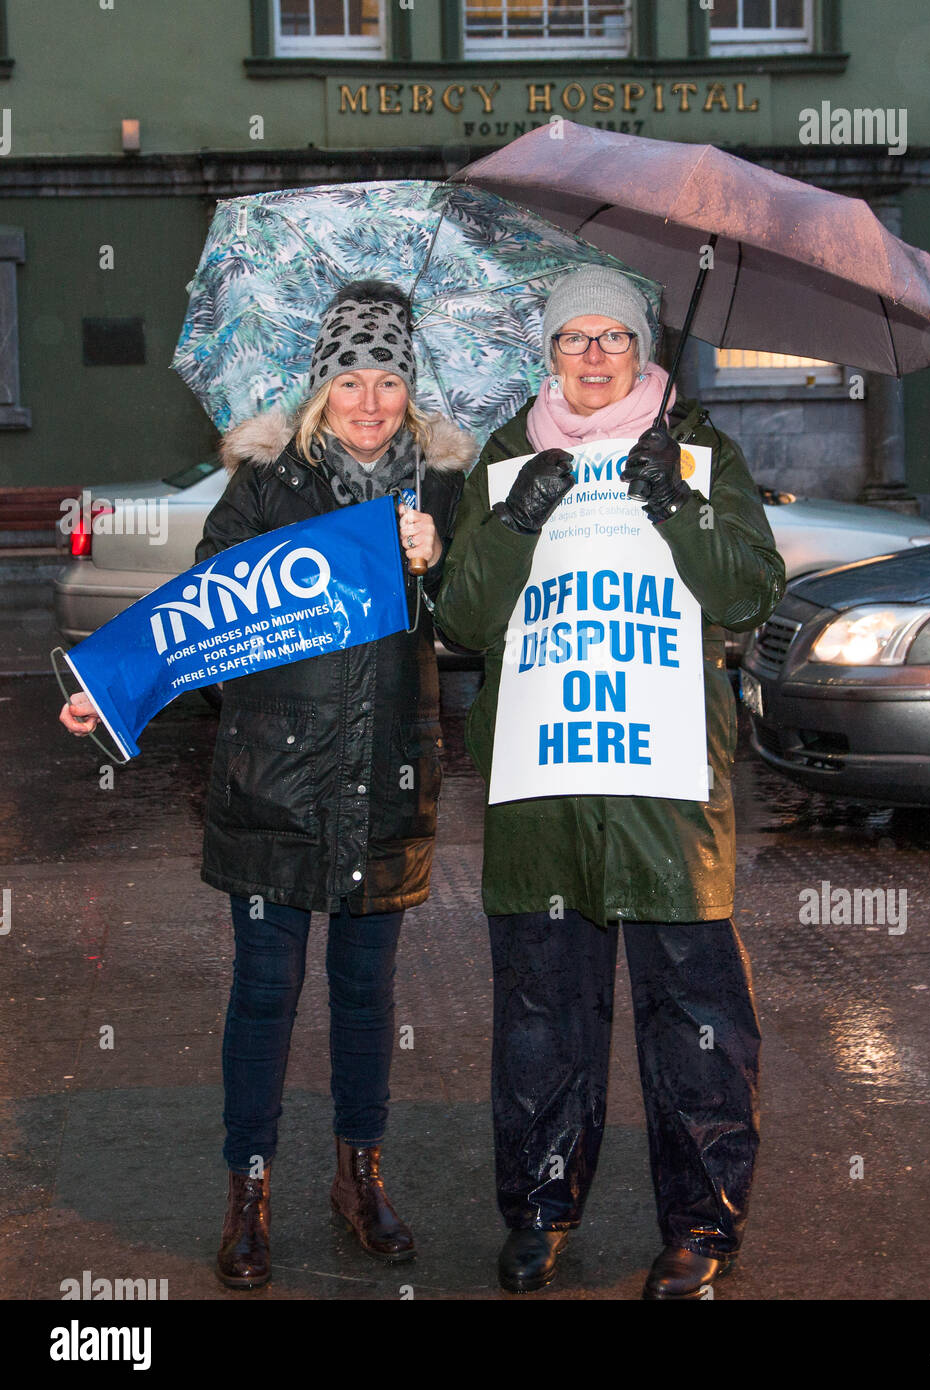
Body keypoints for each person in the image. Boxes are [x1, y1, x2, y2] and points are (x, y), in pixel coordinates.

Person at [60, 279, 474, 1290]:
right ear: (319, 388)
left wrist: (440, 561)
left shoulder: (445, 492)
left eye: (387, 380)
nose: (368, 401)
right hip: (272, 783)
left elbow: (474, 627)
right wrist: (120, 690)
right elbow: (204, 616)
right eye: (349, 379)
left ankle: (358, 1178)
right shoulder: (261, 483)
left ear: (409, 392)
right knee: (262, 998)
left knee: (367, 997)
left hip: (384, 783)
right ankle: (248, 1193)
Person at [435, 266, 786, 1300]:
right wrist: (510, 525)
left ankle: (701, 1227)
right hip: (542, 788)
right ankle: (541, 1210)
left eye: (614, 338)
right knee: (543, 1014)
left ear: (642, 349)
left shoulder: (700, 450)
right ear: (547, 352)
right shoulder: (506, 457)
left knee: (694, 1014)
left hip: (667, 784)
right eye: (573, 338)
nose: (593, 356)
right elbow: (457, 616)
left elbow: (750, 590)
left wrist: (681, 509)